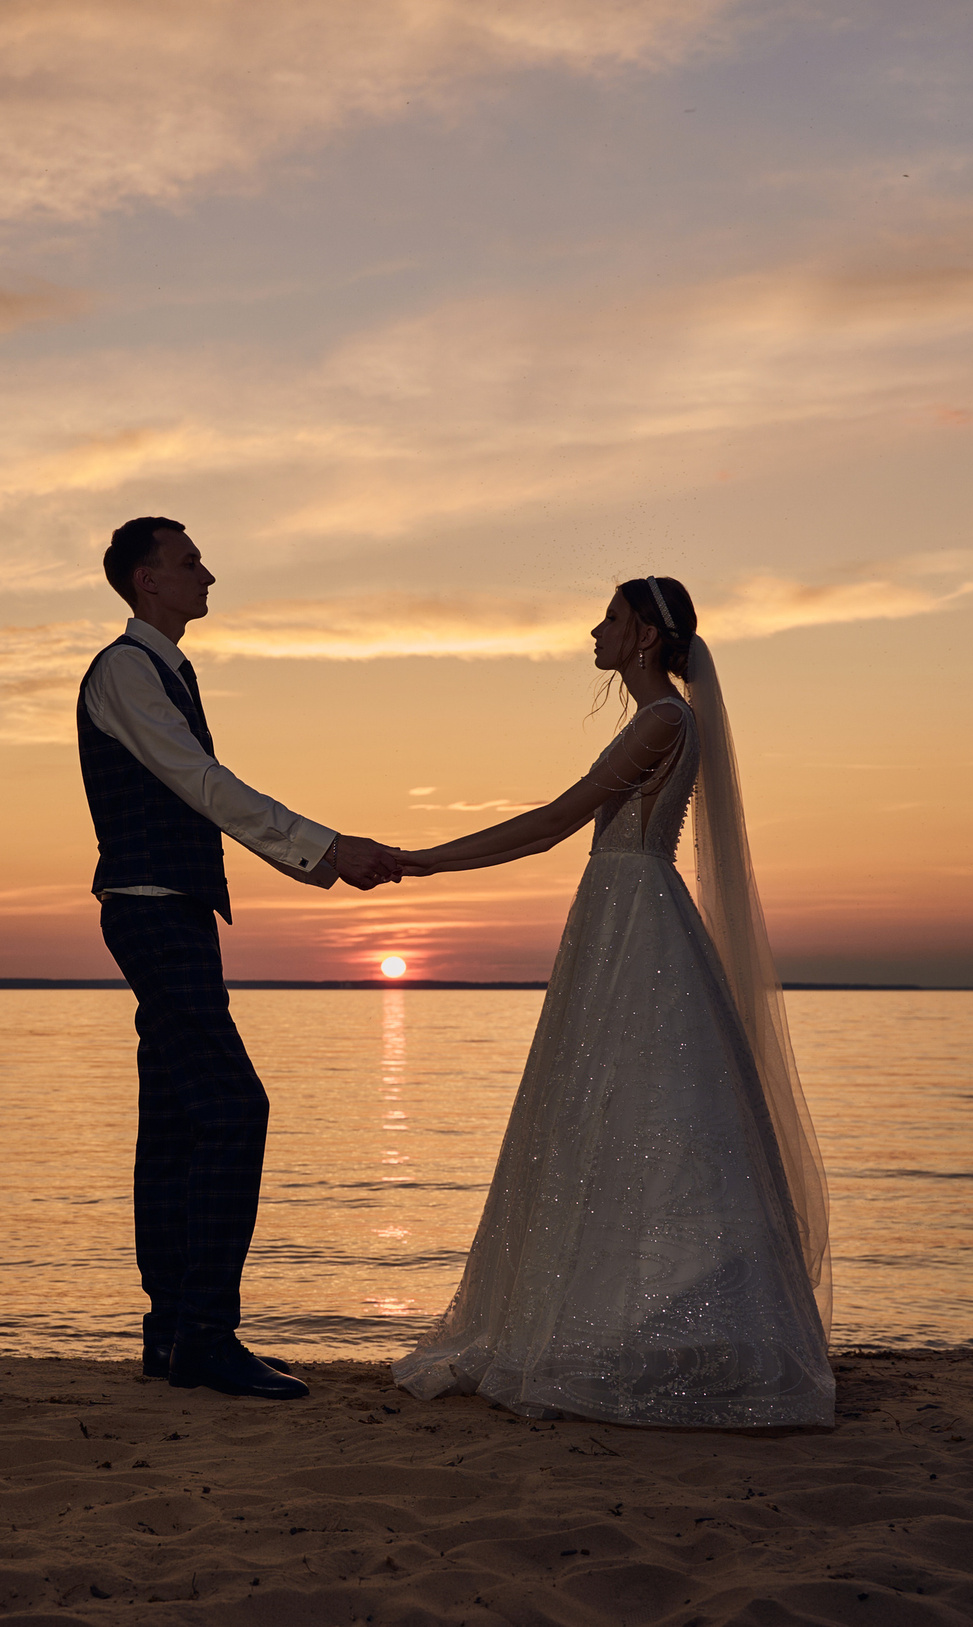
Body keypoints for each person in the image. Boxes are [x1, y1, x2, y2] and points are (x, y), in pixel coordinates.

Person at [389, 577, 834, 1428]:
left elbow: (556, 822)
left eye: (611, 618)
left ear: (642, 636)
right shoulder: (661, 721)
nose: (595, 630)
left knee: (644, 1112)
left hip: (634, 917)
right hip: (618, 914)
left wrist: (424, 861)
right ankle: (616, 1315)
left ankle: (641, 1323)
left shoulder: (663, 720)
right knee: (604, 1113)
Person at [79, 516, 404, 1401]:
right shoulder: (125, 671)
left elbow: (196, 784)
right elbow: (201, 782)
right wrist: (323, 848)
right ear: (147, 579)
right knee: (233, 1110)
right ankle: (207, 1335)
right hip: (152, 911)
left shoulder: (161, 672)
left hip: (173, 911)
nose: (208, 573)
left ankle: (171, 1331)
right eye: (190, 562)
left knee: (179, 1119)